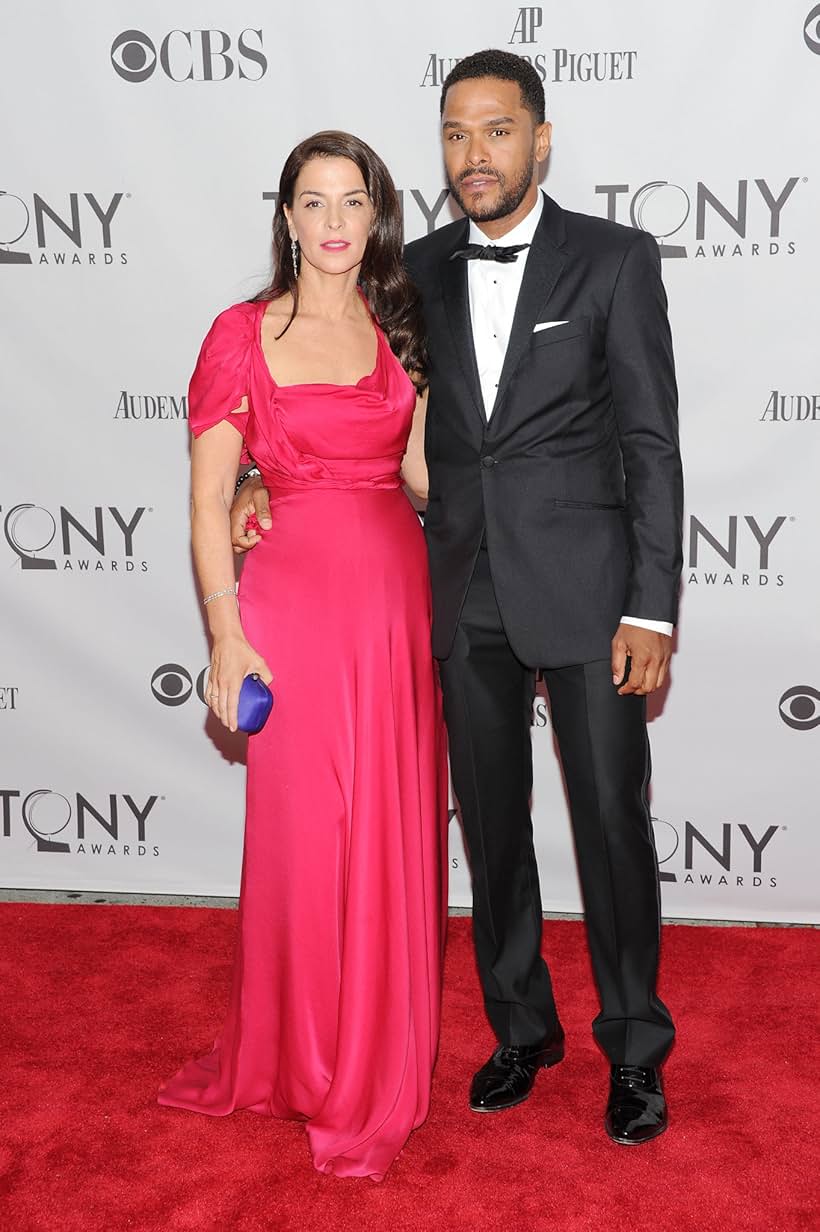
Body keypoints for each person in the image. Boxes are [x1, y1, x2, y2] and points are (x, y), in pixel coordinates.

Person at [234, 51, 684, 1146]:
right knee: (490, 828)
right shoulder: (412, 272)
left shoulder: (615, 260)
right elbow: (350, 399)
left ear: (540, 138)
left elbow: (649, 440)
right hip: (457, 590)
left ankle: (633, 1045)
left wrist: (652, 606)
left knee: (612, 825)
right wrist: (258, 469)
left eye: (494, 131)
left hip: (588, 595)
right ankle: (521, 1027)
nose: (471, 154)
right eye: (452, 133)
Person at [158, 131, 448, 1182]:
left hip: (392, 605)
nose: (332, 220)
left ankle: (371, 1057)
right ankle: (298, 1056)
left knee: (387, 827)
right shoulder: (240, 332)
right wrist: (226, 630)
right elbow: (207, 497)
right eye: (312, 200)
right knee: (302, 834)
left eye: (352, 201)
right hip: (285, 609)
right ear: (284, 216)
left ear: (376, 218)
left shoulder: (398, 328)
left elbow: (417, 480)